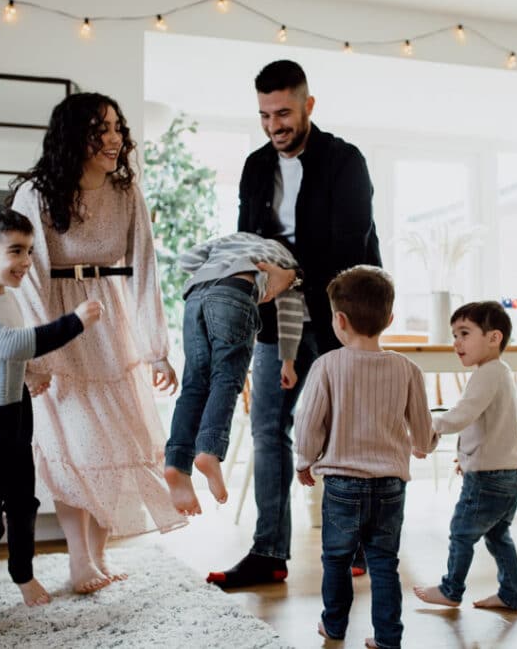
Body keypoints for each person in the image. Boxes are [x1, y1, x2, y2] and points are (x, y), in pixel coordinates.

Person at [208, 59, 382, 589]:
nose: (274, 125)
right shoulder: (256, 165)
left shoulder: (345, 161)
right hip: (272, 321)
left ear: (309, 105)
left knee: (348, 434)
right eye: (264, 115)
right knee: (267, 429)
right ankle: (269, 554)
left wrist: (292, 273)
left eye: (283, 112)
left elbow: (350, 246)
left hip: (339, 320)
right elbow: (247, 238)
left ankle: (356, 545)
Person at [9, 92, 186, 596]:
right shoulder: (37, 196)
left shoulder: (127, 192)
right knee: (74, 445)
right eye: (99, 130)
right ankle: (79, 558)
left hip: (114, 325)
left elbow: (147, 269)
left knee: (120, 441)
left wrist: (157, 348)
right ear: (73, 137)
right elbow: (29, 279)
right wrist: (40, 357)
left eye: (116, 128)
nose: (113, 139)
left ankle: (101, 553)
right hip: (62, 326)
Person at [0, 202, 102, 644]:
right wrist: (75, 323)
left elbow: (6, 357)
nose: (26, 263)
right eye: (16, 251)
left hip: (13, 417)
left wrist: (31, 375)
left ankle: (22, 574)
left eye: (29, 251)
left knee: (24, 505)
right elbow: (6, 345)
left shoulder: (7, 298)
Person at [295, 266, 438, 649]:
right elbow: (423, 431)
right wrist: (424, 444)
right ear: (389, 319)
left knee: (337, 560)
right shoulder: (408, 369)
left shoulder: (327, 365)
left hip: (342, 485)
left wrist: (303, 460)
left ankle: (335, 626)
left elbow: (309, 423)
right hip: (391, 485)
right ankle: (389, 638)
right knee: (384, 563)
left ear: (339, 320)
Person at [164, 231, 305, 515]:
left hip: (194, 296)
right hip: (234, 292)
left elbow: (187, 259)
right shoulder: (285, 264)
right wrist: (288, 362)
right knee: (226, 379)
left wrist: (216, 260)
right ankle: (209, 450)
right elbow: (289, 317)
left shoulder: (230, 240)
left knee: (194, 384)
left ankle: (176, 463)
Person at [413, 301, 517, 612]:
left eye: (464, 333)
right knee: (498, 537)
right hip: (508, 474)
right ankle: (511, 594)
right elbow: (487, 426)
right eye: (454, 335)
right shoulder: (499, 372)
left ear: (494, 338)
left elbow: (462, 415)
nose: (456, 343)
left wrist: (428, 427)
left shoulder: (488, 374)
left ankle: (451, 589)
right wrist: (466, 456)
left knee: (461, 533)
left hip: (488, 478)